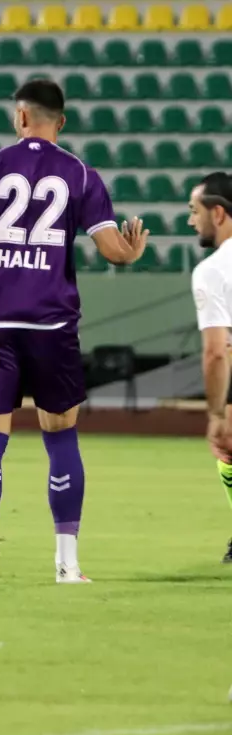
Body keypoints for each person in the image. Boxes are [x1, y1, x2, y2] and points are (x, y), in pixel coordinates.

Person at [0, 79, 148, 583]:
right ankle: (68, 565)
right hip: (53, 325)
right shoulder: (80, 173)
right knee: (61, 438)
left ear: (20, 118)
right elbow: (111, 249)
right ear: (60, 122)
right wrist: (130, 253)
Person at [185, 172, 232, 563]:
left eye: (194, 211)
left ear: (218, 213)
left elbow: (216, 351)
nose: (190, 220)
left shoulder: (214, 270)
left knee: (227, 451)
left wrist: (216, 413)